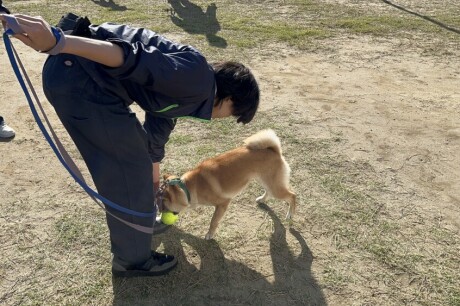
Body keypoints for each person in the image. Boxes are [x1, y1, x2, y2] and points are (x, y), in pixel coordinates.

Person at [0, 10, 259, 277]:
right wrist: (59, 42)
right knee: (128, 173)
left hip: (81, 79)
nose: (225, 118)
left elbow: (156, 138)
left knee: (137, 168)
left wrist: (155, 185)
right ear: (230, 100)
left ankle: (137, 231)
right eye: (233, 114)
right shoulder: (196, 80)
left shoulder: (193, 93)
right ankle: (132, 261)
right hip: (80, 81)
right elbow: (129, 57)